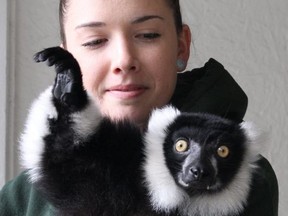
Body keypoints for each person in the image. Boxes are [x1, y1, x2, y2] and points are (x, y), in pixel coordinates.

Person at [0, 0, 278, 215]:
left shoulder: (238, 175)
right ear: (66, 56)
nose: (124, 59)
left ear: (181, 48)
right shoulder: (24, 196)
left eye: (147, 35)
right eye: (95, 41)